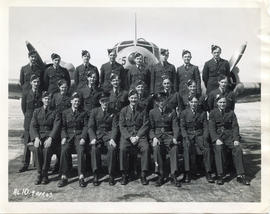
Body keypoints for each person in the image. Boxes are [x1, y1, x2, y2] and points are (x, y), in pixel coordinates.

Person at [209, 95, 250, 185]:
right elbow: (211, 128)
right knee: (218, 149)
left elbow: (235, 127)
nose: (222, 104)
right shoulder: (213, 113)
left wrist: (236, 139)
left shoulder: (231, 113)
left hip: (229, 137)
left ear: (226, 103)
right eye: (220, 102)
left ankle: (240, 175)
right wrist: (216, 139)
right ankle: (220, 175)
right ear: (217, 103)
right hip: (219, 136)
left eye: (224, 102)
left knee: (238, 148)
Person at [149, 92, 181, 187]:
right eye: (159, 100)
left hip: (168, 135)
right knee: (156, 148)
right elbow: (150, 128)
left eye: (163, 100)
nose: (161, 102)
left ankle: (173, 174)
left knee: (174, 148)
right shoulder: (152, 112)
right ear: (156, 102)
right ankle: (160, 175)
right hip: (157, 136)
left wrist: (175, 137)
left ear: (166, 100)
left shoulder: (172, 111)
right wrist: (154, 138)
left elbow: (175, 127)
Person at [180, 95, 214, 183]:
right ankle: (187, 172)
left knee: (207, 148)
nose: (194, 104)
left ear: (198, 103)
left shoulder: (202, 113)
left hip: (199, 135)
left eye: (195, 102)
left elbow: (205, 126)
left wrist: (205, 136)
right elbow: (182, 127)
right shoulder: (184, 113)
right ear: (189, 103)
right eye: (192, 102)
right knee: (186, 148)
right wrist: (185, 137)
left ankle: (208, 172)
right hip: (189, 135)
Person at [119, 89, 150, 185]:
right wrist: (130, 137)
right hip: (128, 137)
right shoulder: (124, 111)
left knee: (146, 148)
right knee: (122, 149)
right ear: (128, 99)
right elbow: (122, 126)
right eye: (132, 98)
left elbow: (146, 124)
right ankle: (124, 174)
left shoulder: (143, 110)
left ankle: (143, 174)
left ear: (138, 98)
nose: (133, 100)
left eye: (135, 98)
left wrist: (137, 136)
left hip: (140, 137)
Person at [57, 92, 89, 188]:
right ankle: (64, 176)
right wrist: (63, 137)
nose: (76, 103)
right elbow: (63, 127)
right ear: (71, 101)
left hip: (79, 136)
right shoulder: (65, 113)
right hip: (68, 136)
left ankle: (81, 176)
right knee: (64, 149)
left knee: (81, 150)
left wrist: (83, 137)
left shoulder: (83, 113)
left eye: (78, 101)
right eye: (75, 101)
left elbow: (86, 126)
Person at [88, 92, 119, 186]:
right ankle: (96, 174)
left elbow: (115, 127)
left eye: (106, 101)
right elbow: (90, 127)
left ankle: (111, 174)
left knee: (112, 149)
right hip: (97, 136)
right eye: (103, 101)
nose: (105, 103)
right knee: (94, 149)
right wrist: (93, 138)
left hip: (108, 136)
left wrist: (113, 138)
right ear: (100, 102)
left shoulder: (113, 112)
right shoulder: (94, 111)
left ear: (109, 101)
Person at [30, 91, 61, 185]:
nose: (47, 100)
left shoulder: (55, 112)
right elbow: (33, 126)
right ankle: (39, 173)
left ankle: (45, 173)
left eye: (49, 98)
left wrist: (51, 138)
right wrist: (36, 138)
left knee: (47, 149)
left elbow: (57, 126)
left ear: (51, 100)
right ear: (42, 100)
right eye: (45, 98)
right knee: (37, 148)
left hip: (50, 138)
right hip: (39, 137)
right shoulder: (37, 111)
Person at [18, 74, 43, 173]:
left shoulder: (41, 94)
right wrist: (28, 118)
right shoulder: (26, 94)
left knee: (37, 142)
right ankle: (25, 164)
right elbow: (23, 108)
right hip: (29, 121)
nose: (36, 84)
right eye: (34, 82)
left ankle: (38, 164)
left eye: (37, 82)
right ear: (31, 83)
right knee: (27, 142)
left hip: (38, 121)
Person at [50, 79, 72, 173]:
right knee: (58, 144)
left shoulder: (70, 97)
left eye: (65, 87)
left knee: (66, 144)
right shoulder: (55, 96)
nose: (64, 89)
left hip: (66, 123)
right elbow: (51, 108)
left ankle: (68, 165)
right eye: (62, 87)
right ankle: (58, 164)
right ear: (59, 87)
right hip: (57, 122)